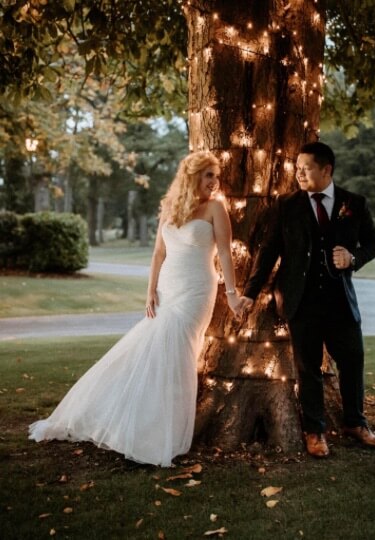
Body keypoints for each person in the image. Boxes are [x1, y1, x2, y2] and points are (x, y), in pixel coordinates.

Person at [29, 151, 241, 467]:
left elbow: (225, 253)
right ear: (192, 176)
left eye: (216, 175)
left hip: (197, 290)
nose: (215, 182)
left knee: (179, 352)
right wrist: (150, 291)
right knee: (152, 348)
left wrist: (234, 293)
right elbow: (158, 253)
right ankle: (133, 421)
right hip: (168, 287)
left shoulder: (216, 208)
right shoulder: (171, 207)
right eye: (209, 175)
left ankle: (160, 433)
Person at [240, 141, 375, 457]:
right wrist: (250, 294)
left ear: (326, 169)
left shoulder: (353, 203)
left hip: (340, 301)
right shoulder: (286, 205)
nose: (299, 173)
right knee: (308, 369)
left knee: (353, 359)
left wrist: (353, 257)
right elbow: (268, 254)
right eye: (298, 167)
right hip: (300, 300)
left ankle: (356, 423)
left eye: (306, 168)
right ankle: (315, 431)